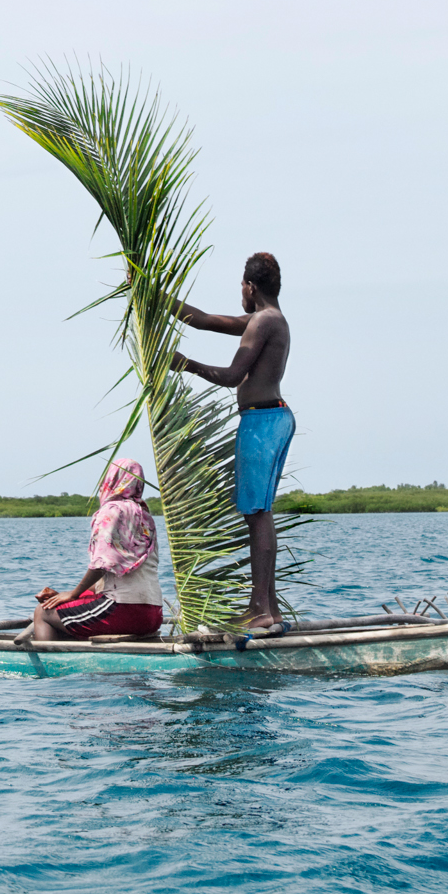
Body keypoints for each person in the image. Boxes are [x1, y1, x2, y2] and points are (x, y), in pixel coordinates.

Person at [169, 250, 291, 630]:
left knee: (257, 514)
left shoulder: (264, 322)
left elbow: (232, 375)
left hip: (262, 423)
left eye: (241, 285)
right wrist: (154, 297)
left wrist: (184, 363)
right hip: (270, 419)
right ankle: (269, 609)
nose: (240, 291)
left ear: (250, 287)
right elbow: (205, 320)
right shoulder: (267, 319)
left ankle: (259, 609)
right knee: (259, 512)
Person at [6, 457, 164, 642]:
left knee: (43, 612)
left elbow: (102, 564)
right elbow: (117, 572)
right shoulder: (144, 515)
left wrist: (73, 594)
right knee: (69, 607)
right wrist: (69, 596)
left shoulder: (111, 511)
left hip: (123, 609)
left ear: (111, 479)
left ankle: (51, 666)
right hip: (153, 613)